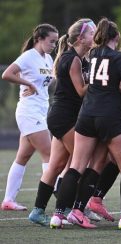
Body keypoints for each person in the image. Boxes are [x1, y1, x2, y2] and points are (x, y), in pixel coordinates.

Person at [49, 17, 121, 230]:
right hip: (108, 118)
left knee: (77, 167)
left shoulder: (93, 54)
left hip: (86, 115)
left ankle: (60, 214)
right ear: (116, 37)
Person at [27, 19, 96, 226]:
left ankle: (38, 211)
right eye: (92, 33)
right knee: (80, 164)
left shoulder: (80, 58)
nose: (96, 36)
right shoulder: (73, 59)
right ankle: (70, 208)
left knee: (56, 165)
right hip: (64, 117)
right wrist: (99, 77)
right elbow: (81, 91)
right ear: (81, 38)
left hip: (62, 116)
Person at [1, 24, 59, 211]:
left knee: (23, 156)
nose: (53, 45)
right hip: (29, 112)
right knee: (50, 155)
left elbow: (50, 80)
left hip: (41, 111)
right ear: (39, 39)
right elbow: (7, 74)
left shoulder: (48, 58)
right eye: (51, 41)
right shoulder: (28, 56)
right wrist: (26, 83)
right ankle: (61, 199)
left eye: (56, 42)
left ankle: (8, 200)